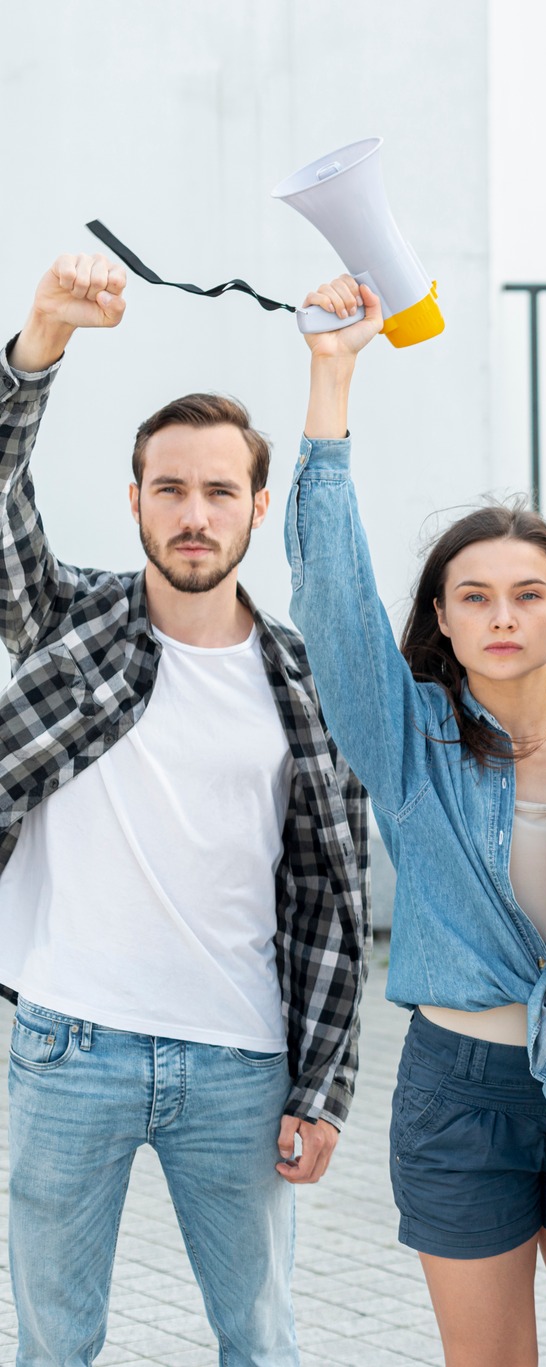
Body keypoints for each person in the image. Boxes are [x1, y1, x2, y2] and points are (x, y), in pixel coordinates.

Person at [0, 252, 367, 1365]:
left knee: (259, 1340)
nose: (194, 513)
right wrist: (39, 349)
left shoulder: (306, 684)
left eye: (219, 491)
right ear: (137, 501)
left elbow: (329, 903)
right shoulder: (76, 627)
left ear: (257, 506)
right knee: (52, 1342)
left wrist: (324, 1084)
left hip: (240, 1063)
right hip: (68, 1045)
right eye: (170, 487)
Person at [281, 276, 546, 1366]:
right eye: (473, 595)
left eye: (525, 593)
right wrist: (331, 376)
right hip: (458, 1089)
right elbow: (331, 595)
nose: (500, 615)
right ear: (440, 614)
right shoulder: (410, 740)